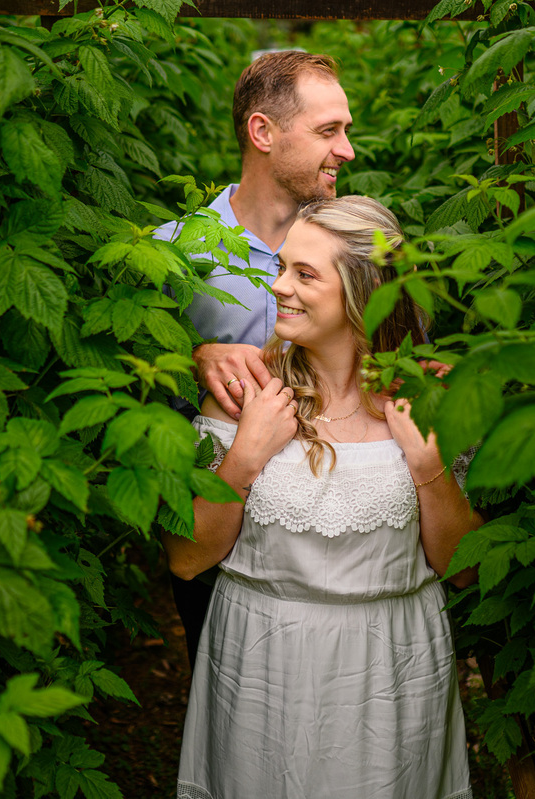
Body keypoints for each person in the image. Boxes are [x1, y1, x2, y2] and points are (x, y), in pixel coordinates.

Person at [166, 197, 481, 799]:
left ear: (364, 290)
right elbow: (186, 557)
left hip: (391, 666)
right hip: (263, 661)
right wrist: (245, 458)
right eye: (283, 267)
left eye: (304, 274)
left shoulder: (426, 400)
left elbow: (464, 571)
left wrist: (428, 467)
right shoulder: (246, 394)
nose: (278, 287)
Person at [160, 50, 356, 666]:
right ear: (263, 132)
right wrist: (189, 355)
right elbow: (125, 389)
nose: (347, 150)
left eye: (346, 130)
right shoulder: (174, 257)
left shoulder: (361, 247)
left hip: (335, 542)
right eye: (329, 131)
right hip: (216, 537)